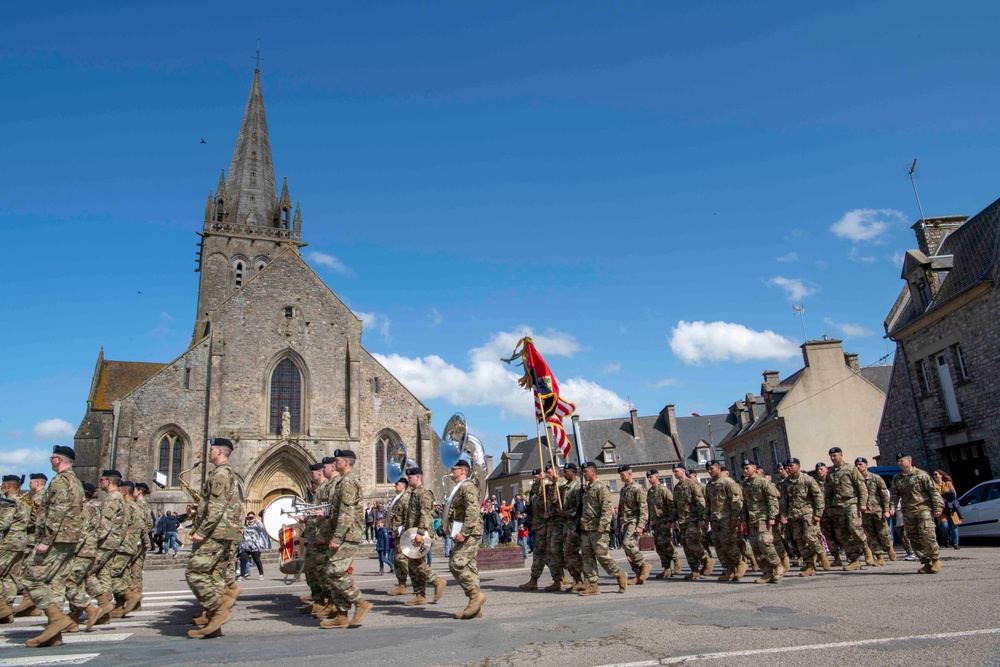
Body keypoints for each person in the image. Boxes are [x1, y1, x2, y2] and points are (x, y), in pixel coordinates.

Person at [20, 445, 84, 648]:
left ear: (59, 459)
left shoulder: (59, 481)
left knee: (31, 578)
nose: (50, 461)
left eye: (52, 458)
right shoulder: (76, 481)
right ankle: (54, 634)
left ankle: (56, 619)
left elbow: (57, 512)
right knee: (55, 584)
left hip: (56, 539)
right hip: (70, 538)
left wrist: (45, 541)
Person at [186, 437, 243, 639]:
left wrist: (202, 531)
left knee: (195, 572)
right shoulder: (228, 474)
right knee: (216, 577)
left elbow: (217, 507)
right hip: (226, 531)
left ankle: (218, 610)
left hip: (216, 532)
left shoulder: (220, 474)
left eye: (211, 449)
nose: (208, 452)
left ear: (219, 451)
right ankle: (213, 624)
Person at [318, 449, 371, 628]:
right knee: (331, 572)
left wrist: (337, 537)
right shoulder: (341, 481)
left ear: (346, 462)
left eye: (338, 460)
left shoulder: (349, 482)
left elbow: (346, 513)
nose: (335, 463)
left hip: (348, 534)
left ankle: (359, 602)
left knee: (335, 570)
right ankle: (341, 614)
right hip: (340, 533)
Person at [576, 461, 627, 595]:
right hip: (586, 528)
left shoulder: (601, 487)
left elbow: (606, 508)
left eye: (586, 472)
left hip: (597, 529)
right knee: (587, 557)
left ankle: (619, 575)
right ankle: (593, 584)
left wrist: (603, 526)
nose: (584, 474)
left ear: (593, 472)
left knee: (602, 555)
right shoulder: (587, 489)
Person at [445, 459, 486, 619]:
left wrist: (464, 531)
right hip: (464, 531)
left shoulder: (467, 486)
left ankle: (475, 596)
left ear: (463, 471)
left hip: (470, 531)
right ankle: (475, 608)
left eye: (453, 469)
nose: (450, 471)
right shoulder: (459, 487)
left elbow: (473, 509)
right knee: (470, 567)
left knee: (456, 563)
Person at [891, 454, 944, 573]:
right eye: (898, 461)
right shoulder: (897, 478)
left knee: (927, 536)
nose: (899, 463)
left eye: (901, 460)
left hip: (923, 509)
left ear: (909, 461)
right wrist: (892, 507)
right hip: (908, 512)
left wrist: (938, 507)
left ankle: (935, 559)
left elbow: (933, 492)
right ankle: (926, 562)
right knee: (913, 538)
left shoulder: (921, 475)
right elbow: (894, 495)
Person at [401, 466, 446, 606]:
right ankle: (419, 594)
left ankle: (437, 581)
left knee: (418, 564)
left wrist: (420, 534)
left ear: (418, 477)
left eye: (410, 477)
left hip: (420, 534)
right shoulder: (413, 494)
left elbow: (426, 515)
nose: (408, 479)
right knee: (412, 564)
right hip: (412, 534)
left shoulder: (424, 493)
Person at [778, 458, 830, 577]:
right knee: (799, 540)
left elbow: (818, 497)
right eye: (788, 466)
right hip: (794, 516)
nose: (788, 468)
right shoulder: (786, 483)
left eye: (791, 466)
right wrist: (783, 515)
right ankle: (809, 565)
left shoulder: (807, 479)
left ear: (798, 466)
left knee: (809, 536)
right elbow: (784, 501)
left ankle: (821, 554)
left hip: (808, 514)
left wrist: (818, 514)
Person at [824, 447, 871, 571]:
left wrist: (863, 503)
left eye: (835, 456)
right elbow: (828, 491)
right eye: (831, 456)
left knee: (854, 528)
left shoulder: (851, 469)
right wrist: (828, 506)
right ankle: (854, 559)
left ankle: (866, 549)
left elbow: (861, 487)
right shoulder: (830, 472)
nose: (833, 458)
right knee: (844, 533)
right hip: (838, 506)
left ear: (841, 456)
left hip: (851, 502)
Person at [740, 461, 782, 584]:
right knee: (756, 546)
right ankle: (767, 572)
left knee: (765, 541)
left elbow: (772, 500)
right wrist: (744, 519)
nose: (745, 471)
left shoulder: (763, 482)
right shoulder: (746, 485)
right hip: (752, 520)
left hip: (763, 518)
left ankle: (777, 566)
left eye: (747, 468)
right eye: (744, 468)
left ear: (754, 468)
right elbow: (745, 504)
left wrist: (772, 516)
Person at [704, 460, 745, 582]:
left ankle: (739, 564)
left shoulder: (728, 482)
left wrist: (735, 518)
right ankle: (729, 569)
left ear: (718, 468)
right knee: (719, 545)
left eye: (712, 468)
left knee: (729, 543)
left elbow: (737, 501)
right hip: (715, 520)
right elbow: (708, 504)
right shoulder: (710, 485)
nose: (710, 471)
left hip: (727, 519)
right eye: (708, 469)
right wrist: (706, 518)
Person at [672, 464, 712, 579]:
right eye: (674, 472)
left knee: (692, 542)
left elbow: (700, 502)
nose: (675, 473)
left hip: (693, 519)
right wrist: (673, 520)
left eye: (676, 471)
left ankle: (706, 560)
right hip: (682, 521)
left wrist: (701, 518)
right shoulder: (677, 488)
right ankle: (694, 569)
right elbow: (675, 505)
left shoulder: (692, 484)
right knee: (685, 544)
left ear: (683, 471)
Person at [0, 474, 30, 623]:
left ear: (9, 486)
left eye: (2, 484)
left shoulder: (9, 501)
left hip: (9, 541)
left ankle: (2, 608)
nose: (1, 487)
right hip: (21, 542)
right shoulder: (25, 500)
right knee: (10, 576)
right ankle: (7, 610)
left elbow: (3, 523)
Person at [856, 458, 895, 565]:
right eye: (857, 465)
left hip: (877, 510)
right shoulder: (856, 481)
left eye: (861, 464)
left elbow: (884, 495)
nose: (859, 467)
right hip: (865, 513)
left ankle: (889, 547)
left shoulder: (876, 478)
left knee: (883, 533)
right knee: (871, 535)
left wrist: (886, 510)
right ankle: (879, 557)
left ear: (866, 465)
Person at [617, 465, 650, 584]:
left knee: (628, 544)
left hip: (633, 521)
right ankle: (638, 574)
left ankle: (643, 564)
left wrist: (641, 525)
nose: (621, 476)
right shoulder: (623, 490)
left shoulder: (638, 488)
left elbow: (643, 509)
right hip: (624, 522)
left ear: (630, 474)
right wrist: (617, 526)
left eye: (623, 474)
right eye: (620, 475)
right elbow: (620, 509)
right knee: (627, 550)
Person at [519, 469, 551, 590]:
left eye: (537, 477)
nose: (535, 479)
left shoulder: (546, 490)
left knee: (542, 554)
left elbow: (549, 509)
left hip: (544, 527)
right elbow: (532, 510)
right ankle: (559, 577)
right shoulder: (534, 493)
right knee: (541, 554)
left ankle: (561, 578)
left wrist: (545, 525)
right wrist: (526, 522)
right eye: (534, 478)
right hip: (536, 526)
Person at [646, 469, 681, 579]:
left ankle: (676, 560)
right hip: (655, 522)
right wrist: (647, 522)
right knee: (658, 546)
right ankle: (666, 568)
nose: (649, 479)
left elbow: (671, 506)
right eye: (648, 477)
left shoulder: (664, 490)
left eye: (651, 477)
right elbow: (649, 508)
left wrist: (671, 521)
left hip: (664, 521)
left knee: (665, 543)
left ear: (657, 476)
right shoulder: (650, 492)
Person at [543, 463, 568, 591]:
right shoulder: (551, 487)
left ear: (557, 473)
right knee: (549, 553)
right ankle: (558, 580)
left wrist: (551, 513)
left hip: (559, 523)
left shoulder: (561, 487)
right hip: (551, 524)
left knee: (557, 551)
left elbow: (563, 507)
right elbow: (537, 491)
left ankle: (577, 575)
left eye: (549, 473)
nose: (547, 475)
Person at [559, 463, 584, 590]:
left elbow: (579, 507)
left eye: (566, 471)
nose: (564, 473)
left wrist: (567, 513)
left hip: (575, 524)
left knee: (571, 552)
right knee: (567, 554)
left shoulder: (578, 487)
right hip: (566, 525)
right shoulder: (565, 488)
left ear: (573, 473)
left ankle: (588, 576)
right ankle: (577, 580)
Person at [385, 478, 411, 597]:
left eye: (397, 484)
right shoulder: (398, 499)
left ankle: (431, 580)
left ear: (403, 486)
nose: (395, 486)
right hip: (396, 535)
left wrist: (404, 531)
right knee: (397, 560)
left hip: (403, 534)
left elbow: (408, 516)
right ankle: (401, 585)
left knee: (401, 559)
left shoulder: (405, 498)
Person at [933, 470, 961, 550]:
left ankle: (955, 543)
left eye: (936, 474)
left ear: (941, 475)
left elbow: (953, 494)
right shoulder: (933, 485)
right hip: (941, 508)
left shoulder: (948, 483)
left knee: (953, 526)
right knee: (944, 525)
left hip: (951, 507)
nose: (934, 476)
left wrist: (944, 498)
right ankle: (946, 539)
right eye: (933, 475)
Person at [237, 512, 267, 580]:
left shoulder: (257, 526)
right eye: (248, 518)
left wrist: (256, 520)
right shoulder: (244, 526)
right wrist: (243, 520)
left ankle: (261, 574)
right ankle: (242, 575)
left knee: (257, 560)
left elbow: (262, 527)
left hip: (255, 546)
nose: (250, 520)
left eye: (251, 518)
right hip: (245, 546)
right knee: (243, 560)